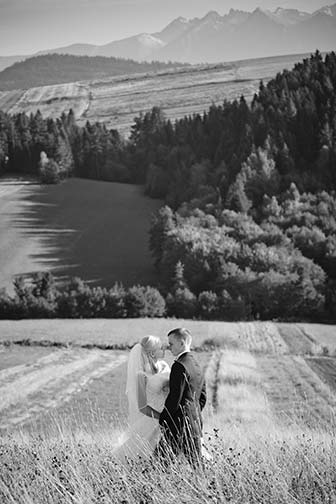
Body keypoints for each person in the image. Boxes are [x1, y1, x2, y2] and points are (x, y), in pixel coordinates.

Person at [114, 335, 170, 462]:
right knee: (145, 450)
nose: (164, 350)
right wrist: (161, 417)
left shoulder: (165, 366)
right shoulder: (141, 374)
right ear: (152, 352)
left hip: (167, 411)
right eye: (160, 348)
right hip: (152, 417)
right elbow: (142, 406)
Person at [157, 327, 207, 465]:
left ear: (182, 342)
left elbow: (174, 398)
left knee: (158, 466)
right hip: (195, 423)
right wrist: (192, 415)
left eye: (171, 344)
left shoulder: (179, 366)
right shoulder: (197, 365)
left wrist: (163, 420)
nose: (169, 347)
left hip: (177, 426)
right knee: (197, 467)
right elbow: (202, 398)